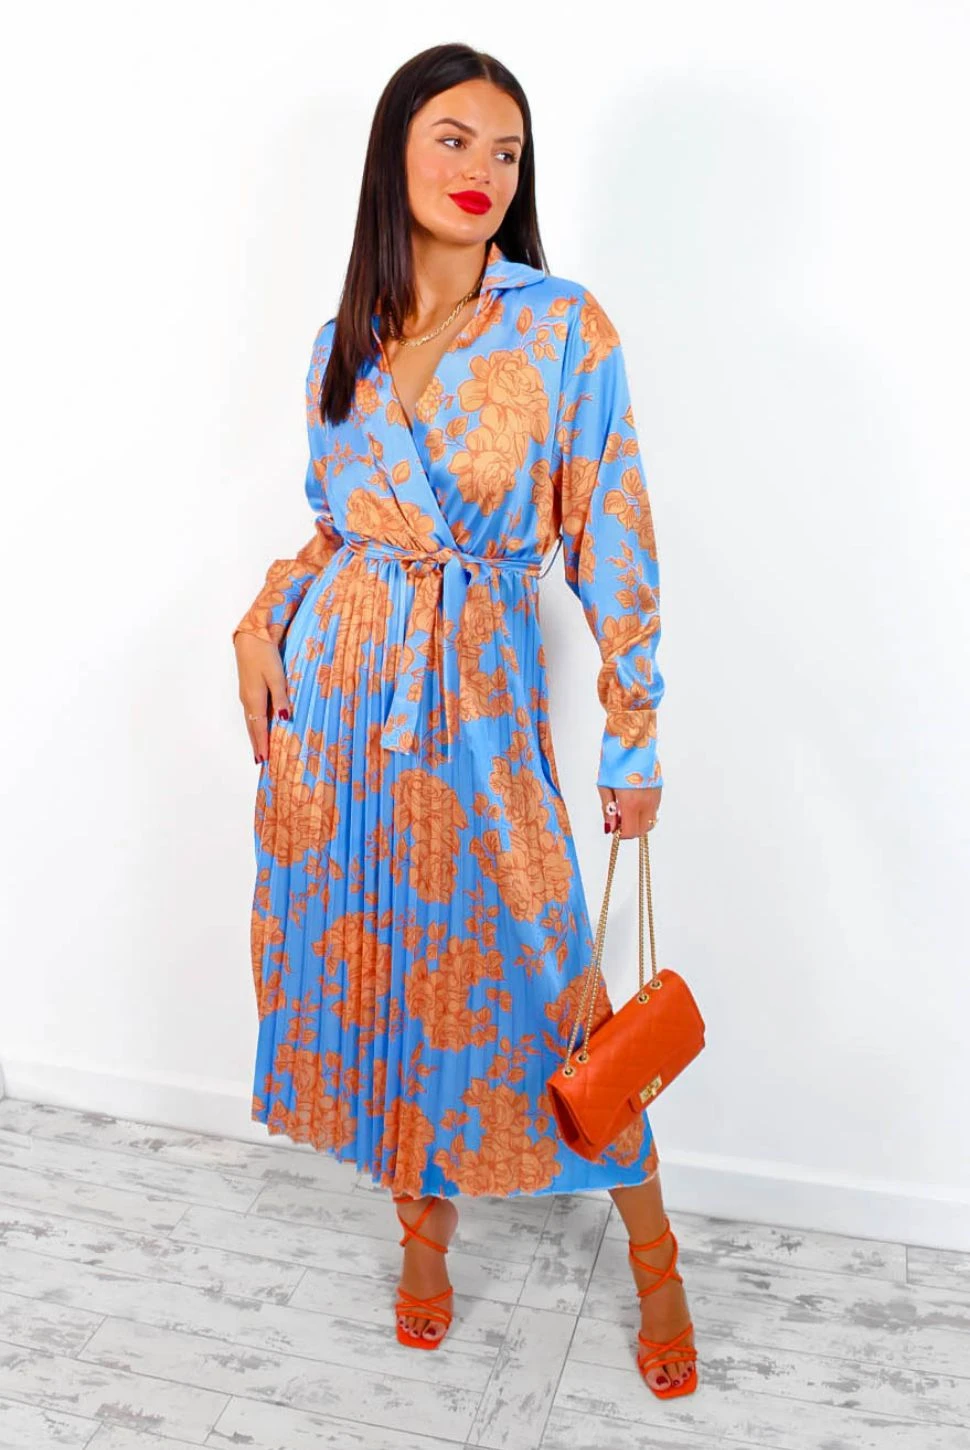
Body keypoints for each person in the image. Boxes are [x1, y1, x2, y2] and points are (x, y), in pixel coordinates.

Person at [231, 43, 697, 1398]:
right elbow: (336, 530)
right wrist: (261, 621)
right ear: (394, 152)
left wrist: (633, 732)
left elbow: (614, 537)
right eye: (452, 138)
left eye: (506, 150)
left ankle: (656, 1257)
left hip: (480, 712)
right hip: (335, 717)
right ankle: (420, 1238)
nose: (482, 170)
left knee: (551, 987)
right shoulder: (343, 343)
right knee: (385, 970)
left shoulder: (561, 330)